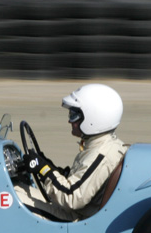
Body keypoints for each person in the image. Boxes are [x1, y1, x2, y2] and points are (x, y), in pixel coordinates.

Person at [15, 83, 128, 222]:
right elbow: (79, 182)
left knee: (9, 197)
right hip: (78, 211)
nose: (69, 120)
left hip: (77, 218)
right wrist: (49, 166)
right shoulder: (103, 144)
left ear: (94, 118)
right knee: (17, 189)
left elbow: (71, 196)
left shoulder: (101, 154)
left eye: (74, 115)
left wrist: (43, 169)